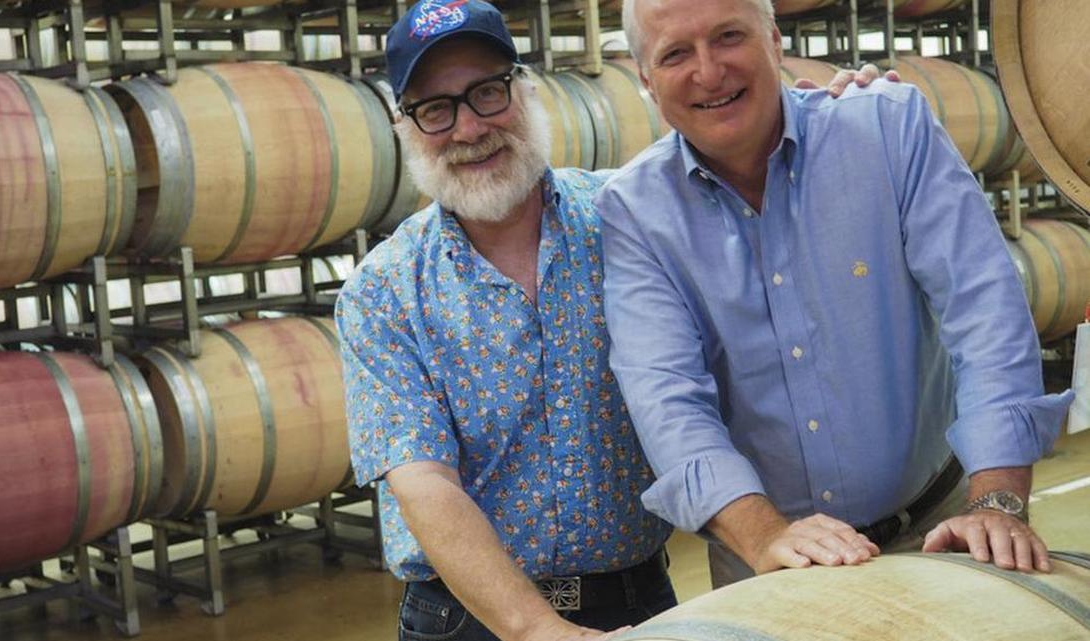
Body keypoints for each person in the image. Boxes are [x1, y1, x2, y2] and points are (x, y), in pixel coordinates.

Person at [335, 1, 893, 639]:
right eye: (436, 109)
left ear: (527, 90)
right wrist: (538, 629)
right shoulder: (382, 291)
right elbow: (424, 483)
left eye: (488, 93)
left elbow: (760, 192)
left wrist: (831, 126)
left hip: (637, 601)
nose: (468, 129)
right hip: (469, 618)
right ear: (406, 126)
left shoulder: (630, 217)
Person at [598, 0, 1075, 589]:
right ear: (644, 80)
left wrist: (998, 499)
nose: (709, 71)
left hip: (942, 530)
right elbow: (665, 395)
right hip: (769, 558)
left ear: (774, 42)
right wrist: (762, 533)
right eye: (675, 54)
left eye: (728, 37)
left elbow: (985, 313)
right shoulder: (634, 211)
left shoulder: (887, 129)